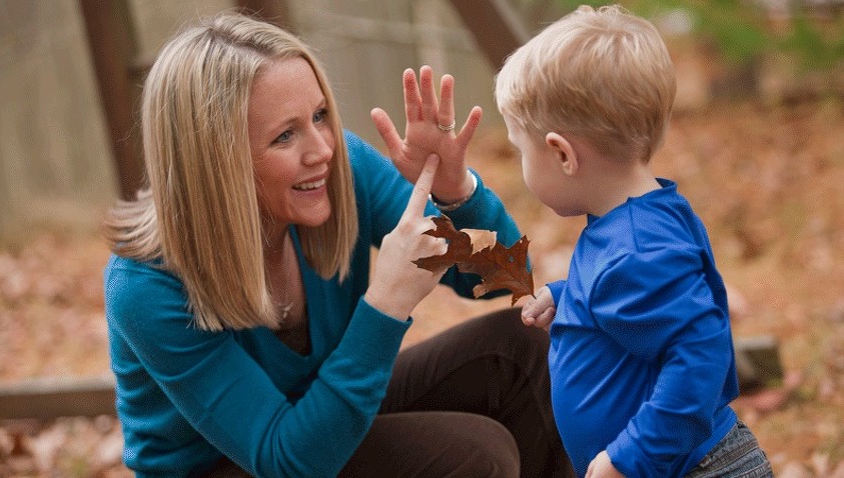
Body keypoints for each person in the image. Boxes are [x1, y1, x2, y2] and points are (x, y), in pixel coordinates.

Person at [103, 11, 575, 478]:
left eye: (320, 116)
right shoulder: (146, 285)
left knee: (520, 348)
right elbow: (287, 461)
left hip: (321, 413)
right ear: (216, 161)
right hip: (238, 462)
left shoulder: (338, 172)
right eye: (285, 135)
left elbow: (506, 280)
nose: (323, 149)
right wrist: (385, 304)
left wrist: (456, 194)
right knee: (476, 455)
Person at [494, 5, 773, 478]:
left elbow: (701, 354)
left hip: (695, 469)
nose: (522, 164)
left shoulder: (635, 249)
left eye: (522, 149)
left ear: (561, 153)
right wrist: (568, 299)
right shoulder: (632, 225)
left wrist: (630, 458)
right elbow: (643, 305)